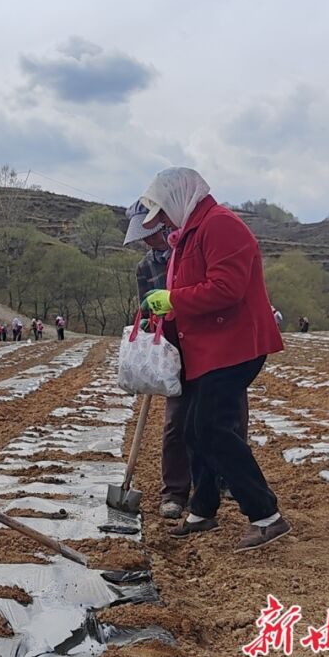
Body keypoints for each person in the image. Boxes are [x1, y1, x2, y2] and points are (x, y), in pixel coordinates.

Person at [138, 167, 290, 552]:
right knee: (194, 428)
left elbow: (227, 288)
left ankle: (266, 515)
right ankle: (202, 510)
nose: (163, 223)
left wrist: (174, 299)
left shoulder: (221, 226)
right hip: (207, 348)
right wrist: (164, 313)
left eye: (163, 214)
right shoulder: (189, 234)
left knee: (211, 428)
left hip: (235, 346)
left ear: (178, 200)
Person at [124, 200, 188, 519]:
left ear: (164, 225)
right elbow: (145, 313)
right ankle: (174, 492)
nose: (146, 240)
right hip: (171, 349)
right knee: (175, 421)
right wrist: (151, 326)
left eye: (149, 233)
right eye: (142, 236)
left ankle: (218, 482)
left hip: (202, 344)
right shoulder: (145, 268)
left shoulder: (188, 252)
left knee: (218, 418)